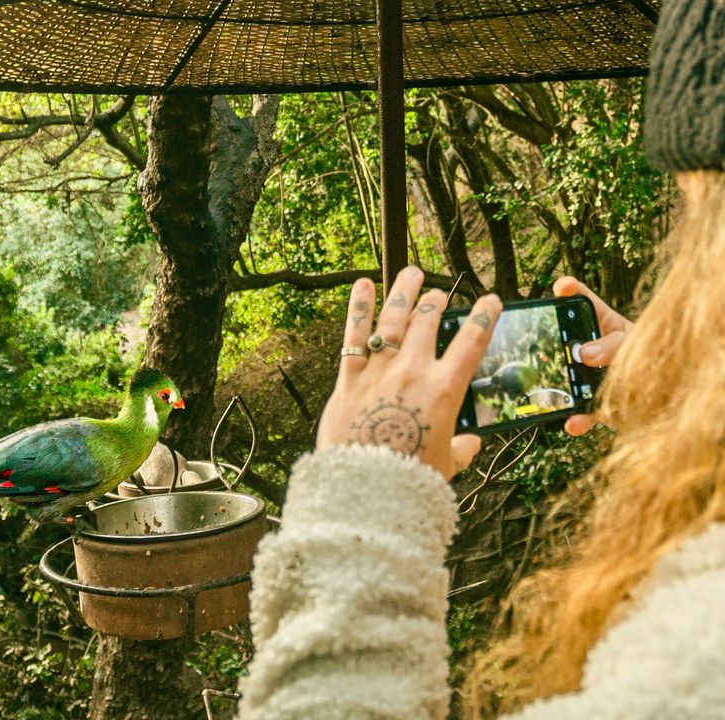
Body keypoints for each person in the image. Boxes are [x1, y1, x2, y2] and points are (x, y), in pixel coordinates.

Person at [236, 0, 725, 717]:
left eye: (698, 221)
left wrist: (359, 513)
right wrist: (695, 408)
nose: (682, 270)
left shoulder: (698, 649)